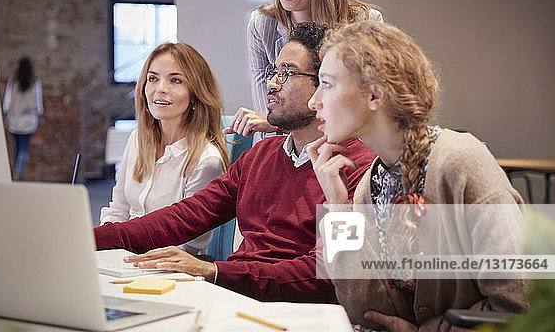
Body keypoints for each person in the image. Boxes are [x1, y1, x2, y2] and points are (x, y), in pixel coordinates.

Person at [94, 22, 377, 302]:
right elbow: (183, 217)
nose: (271, 83)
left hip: (291, 310)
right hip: (235, 297)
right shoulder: (261, 155)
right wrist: (86, 240)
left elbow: (327, 275)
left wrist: (215, 272)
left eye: (286, 73)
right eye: (274, 72)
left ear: (325, 86)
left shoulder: (361, 170)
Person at [307, 21, 528, 331]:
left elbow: (520, 305)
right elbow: (361, 308)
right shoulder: (369, 186)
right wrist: (338, 207)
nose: (313, 101)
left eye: (326, 84)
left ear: (374, 95)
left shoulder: (460, 160)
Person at [225, 0, 383, 143]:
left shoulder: (364, 23)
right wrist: (274, 123)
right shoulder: (262, 24)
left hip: (347, 151)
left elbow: (367, 113)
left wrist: (276, 123)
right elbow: (266, 114)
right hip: (284, 149)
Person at [99, 43, 229, 256]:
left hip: (170, 269)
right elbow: (119, 209)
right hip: (125, 256)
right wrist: (106, 246)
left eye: (175, 80)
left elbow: (188, 245)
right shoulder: (136, 139)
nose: (160, 88)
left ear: (195, 93)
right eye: (153, 78)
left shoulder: (206, 161)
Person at [2, 56, 43, 180]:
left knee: (17, 148)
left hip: (14, 120)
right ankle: (18, 172)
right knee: (24, 149)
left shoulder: (13, 83)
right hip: (29, 121)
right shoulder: (35, 83)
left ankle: (16, 173)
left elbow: (7, 104)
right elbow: (38, 106)